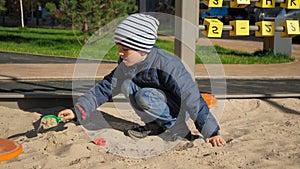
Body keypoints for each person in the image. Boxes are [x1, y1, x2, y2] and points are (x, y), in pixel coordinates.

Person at [58, 13, 226, 147]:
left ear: (142, 49)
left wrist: (211, 132)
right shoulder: (128, 64)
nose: (120, 53)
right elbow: (105, 88)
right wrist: (76, 111)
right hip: (156, 104)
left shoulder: (168, 65)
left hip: (177, 109)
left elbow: (192, 98)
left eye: (125, 49)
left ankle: (178, 129)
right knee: (125, 85)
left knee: (144, 96)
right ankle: (156, 125)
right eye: (119, 48)